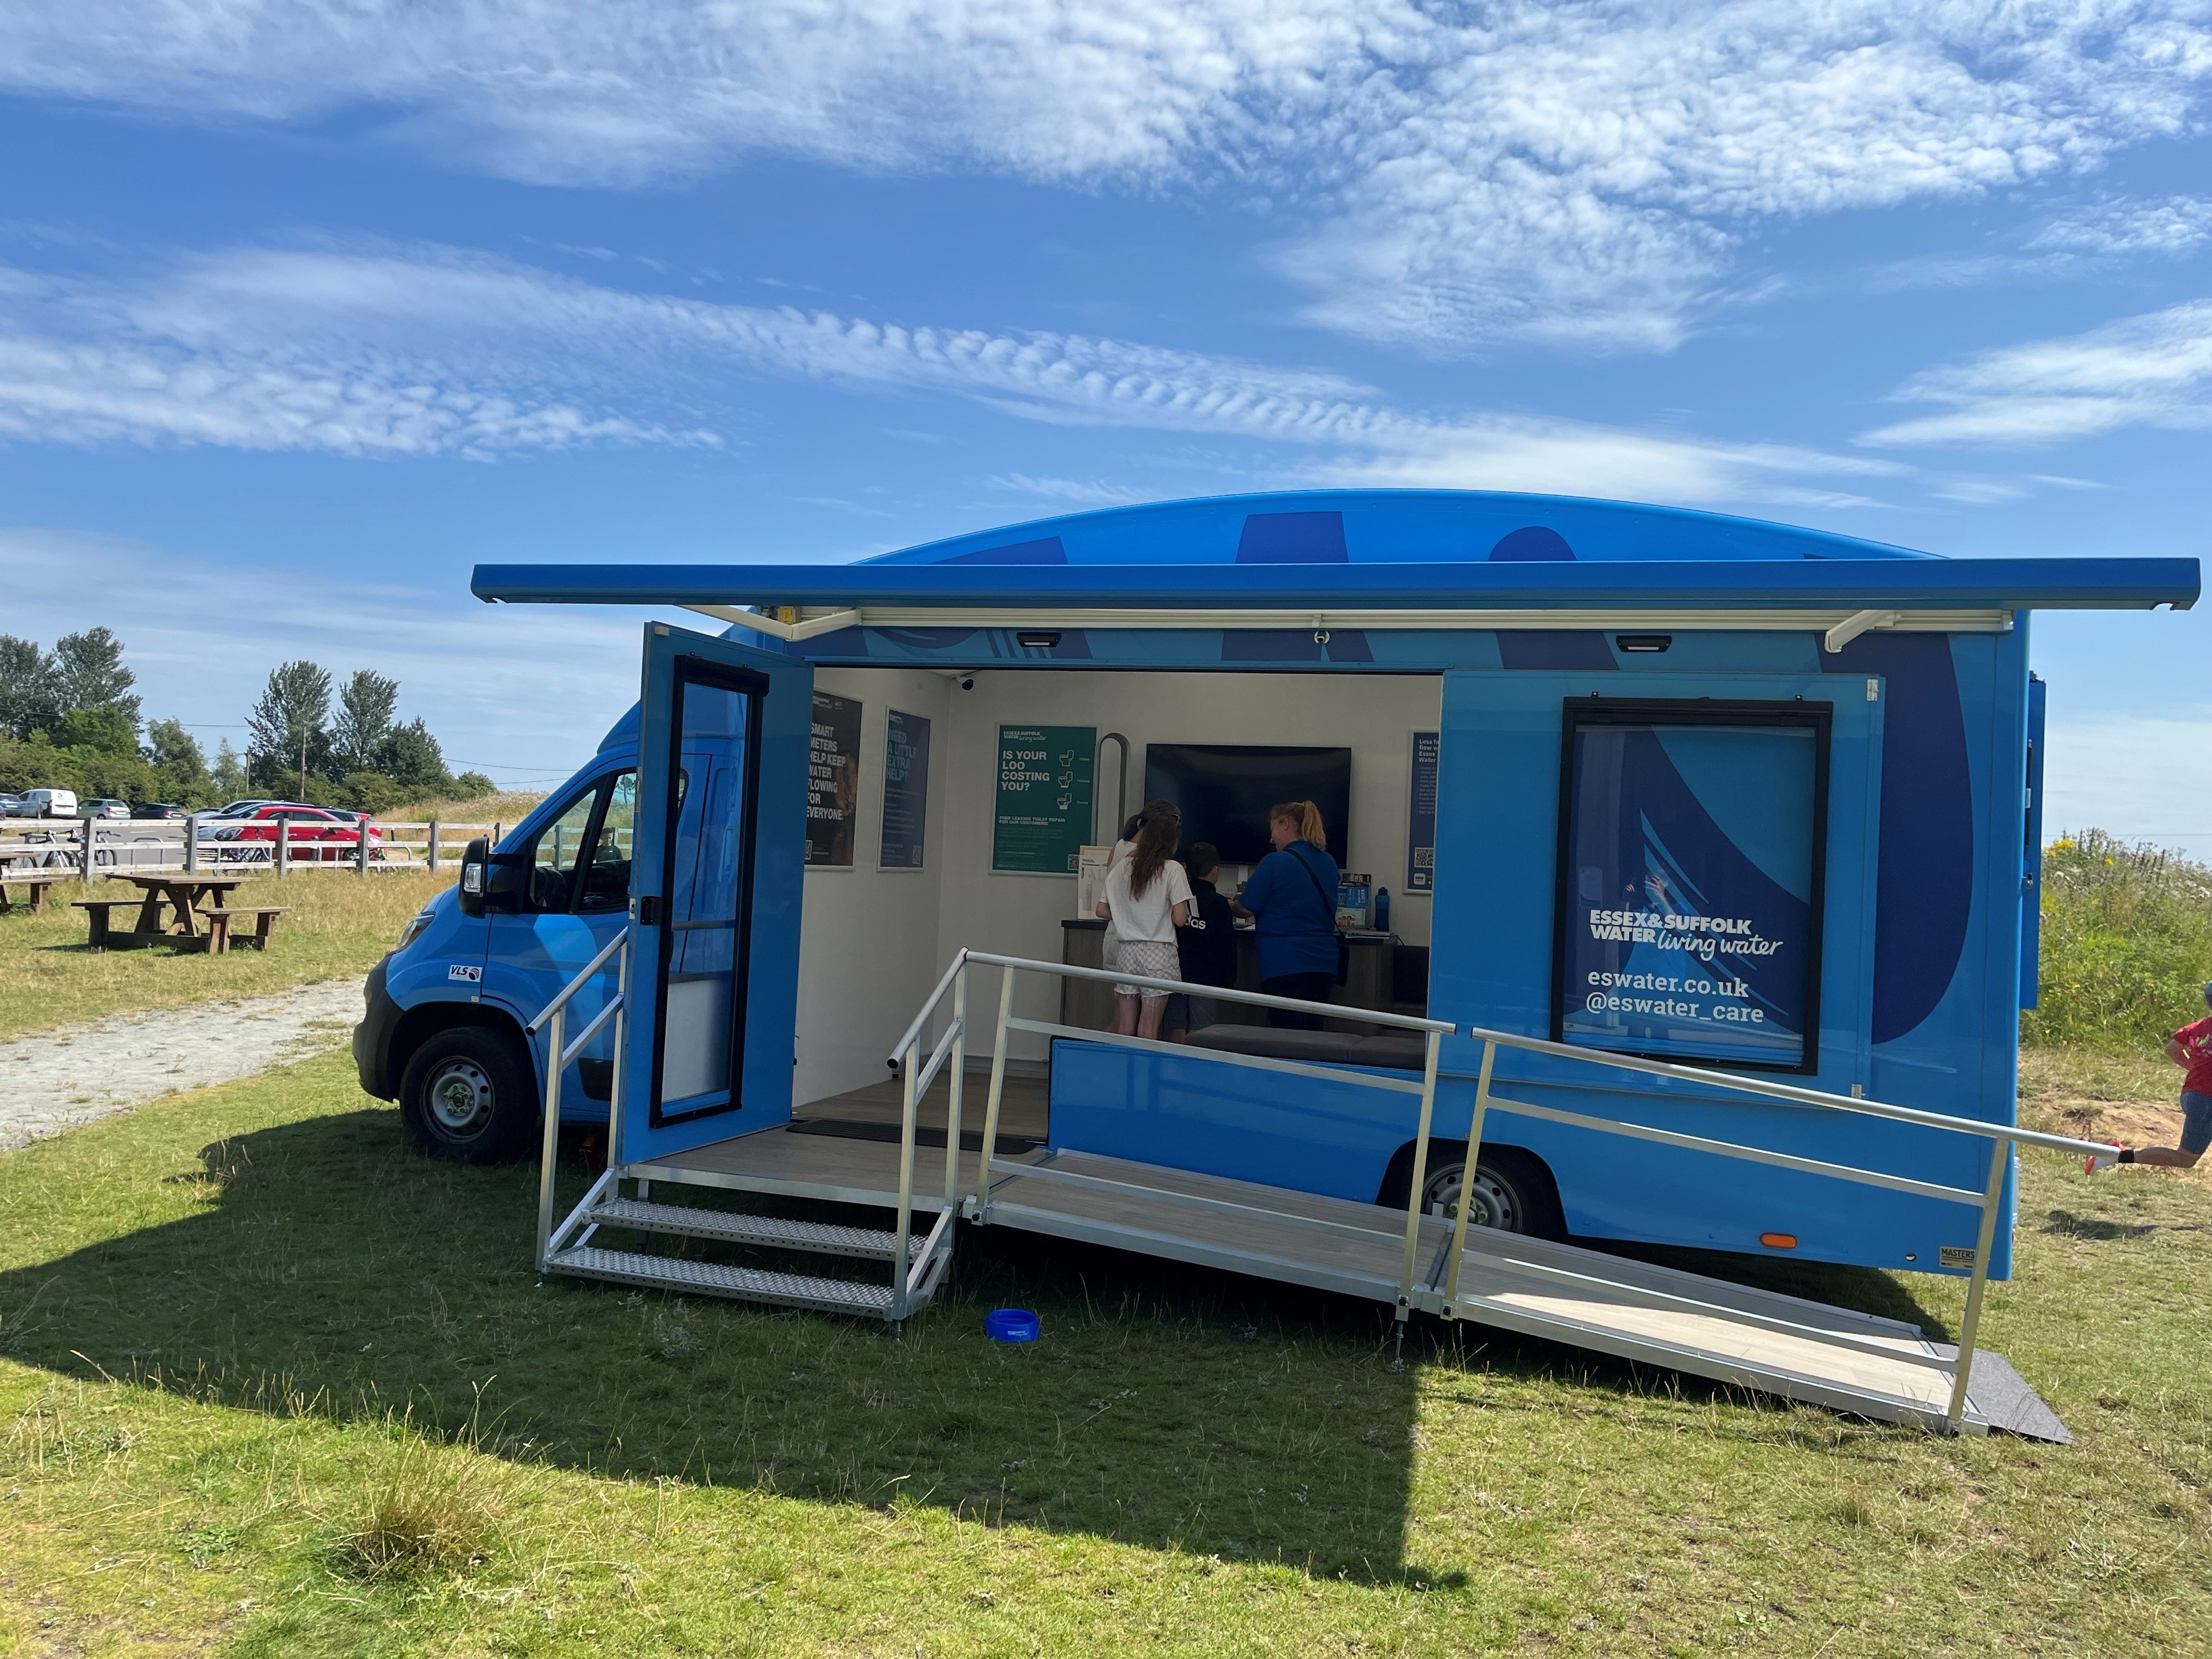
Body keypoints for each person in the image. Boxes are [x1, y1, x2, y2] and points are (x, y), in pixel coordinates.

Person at [1230, 799, 1342, 1029]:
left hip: (1283, 963)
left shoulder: (1275, 863)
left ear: (1286, 824)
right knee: (1313, 1035)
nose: (1271, 839)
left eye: (1273, 830)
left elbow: (1247, 907)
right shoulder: (1329, 862)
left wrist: (1229, 905)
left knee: (1285, 1037)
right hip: (1324, 964)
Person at [1097, 800, 1193, 1040]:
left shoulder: (1122, 864)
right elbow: (1180, 919)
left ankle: (1122, 1072)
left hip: (1126, 952)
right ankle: (1144, 1076)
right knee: (1148, 1028)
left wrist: (1128, 917)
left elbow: (1101, 910)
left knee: (1125, 1028)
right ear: (1171, 840)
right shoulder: (1172, 869)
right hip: (1157, 954)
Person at [2104, 982, 2212, 1169]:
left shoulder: (2198, 1028)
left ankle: (2119, 1155)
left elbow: (2172, 1050)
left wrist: (2196, 1069)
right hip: (2206, 1100)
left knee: (2185, 1159)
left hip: (2193, 1096)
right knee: (2184, 1158)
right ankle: (2115, 1156)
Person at [1166, 841, 1237, 1041]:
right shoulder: (1219, 903)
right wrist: (1228, 979)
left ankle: (1174, 1068)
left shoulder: (1176, 896)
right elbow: (1226, 945)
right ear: (1215, 870)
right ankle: (1195, 1070)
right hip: (1206, 977)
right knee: (1201, 1031)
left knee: (1177, 1026)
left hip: (1176, 971)